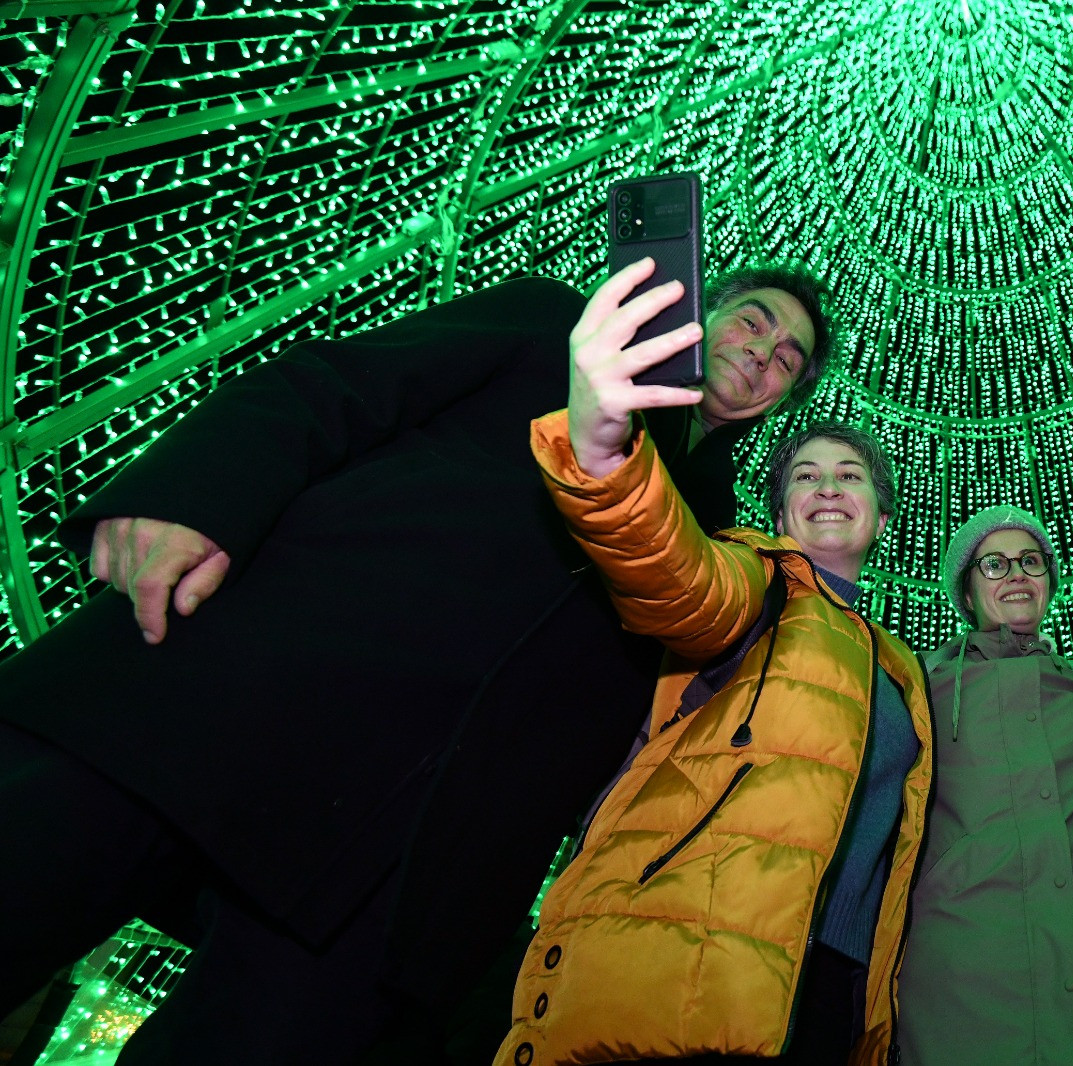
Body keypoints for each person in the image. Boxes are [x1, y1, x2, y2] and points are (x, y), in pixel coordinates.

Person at [0, 256, 830, 1065]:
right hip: (234, 682)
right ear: (700, 313)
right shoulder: (554, 324)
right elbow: (341, 384)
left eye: (788, 358)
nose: (764, 351)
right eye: (753, 321)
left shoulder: (723, 537)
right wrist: (193, 496)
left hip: (399, 852)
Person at [495, 338, 932, 1064]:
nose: (828, 487)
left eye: (850, 476)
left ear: (881, 518)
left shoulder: (902, 670)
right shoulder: (757, 581)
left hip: (830, 982)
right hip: (685, 950)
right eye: (806, 476)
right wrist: (604, 465)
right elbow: (683, 578)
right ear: (781, 512)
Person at [896, 505, 1073, 1066]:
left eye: (1031, 561)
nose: (1016, 574)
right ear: (966, 591)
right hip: (966, 981)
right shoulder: (917, 687)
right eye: (995, 564)